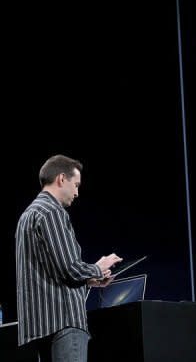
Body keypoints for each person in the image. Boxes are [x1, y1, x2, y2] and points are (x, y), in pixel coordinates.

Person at [15, 154, 123, 361]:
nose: (77, 193)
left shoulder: (27, 215)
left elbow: (51, 270)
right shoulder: (52, 212)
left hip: (41, 324)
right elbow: (70, 268)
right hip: (64, 322)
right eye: (76, 185)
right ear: (61, 179)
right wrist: (98, 268)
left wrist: (90, 281)